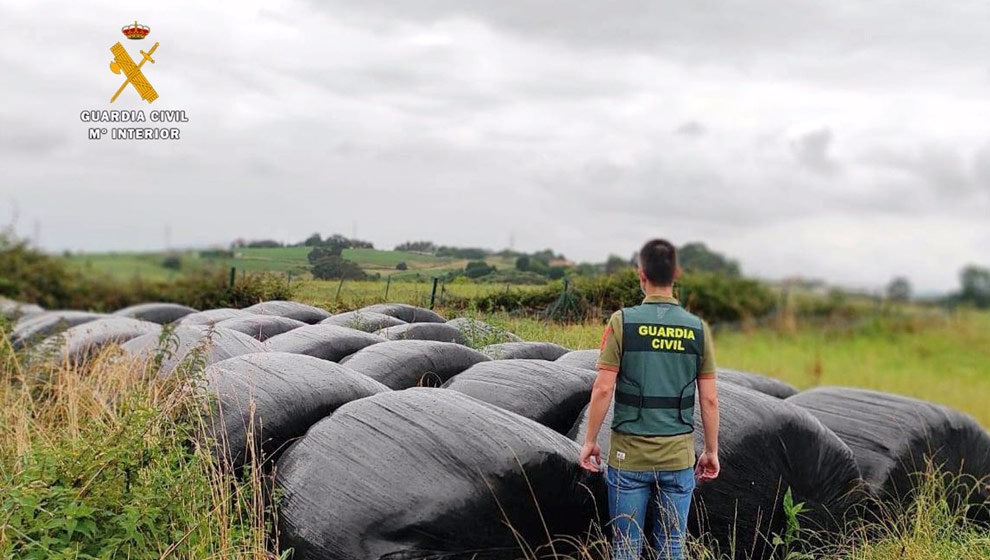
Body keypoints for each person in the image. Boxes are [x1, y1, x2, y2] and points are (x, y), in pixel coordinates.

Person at [578, 239, 720, 560]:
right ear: (677, 273)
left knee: (625, 547)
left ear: (640, 274)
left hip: (629, 457)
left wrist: (589, 441)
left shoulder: (621, 321)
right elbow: (710, 400)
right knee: (671, 548)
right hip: (678, 459)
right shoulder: (698, 329)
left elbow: (602, 389)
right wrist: (710, 451)